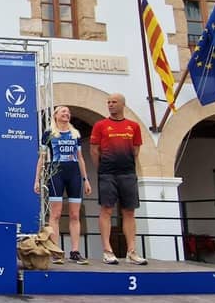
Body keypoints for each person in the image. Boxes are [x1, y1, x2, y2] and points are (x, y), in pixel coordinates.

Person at [90, 93, 147, 265]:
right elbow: (94, 150)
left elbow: (136, 150)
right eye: (108, 102)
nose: (110, 105)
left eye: (114, 102)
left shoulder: (134, 126)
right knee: (106, 210)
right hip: (107, 173)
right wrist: (101, 169)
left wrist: (130, 166)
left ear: (123, 104)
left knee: (129, 211)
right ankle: (107, 251)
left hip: (128, 173)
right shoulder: (100, 125)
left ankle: (131, 252)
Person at [34, 106, 92, 265]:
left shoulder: (75, 134)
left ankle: (75, 251)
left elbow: (80, 158)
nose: (66, 113)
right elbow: (42, 158)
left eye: (68, 112)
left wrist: (85, 179)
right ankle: (56, 252)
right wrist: (37, 179)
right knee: (55, 214)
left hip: (74, 173)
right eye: (63, 111)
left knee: (75, 215)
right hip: (56, 173)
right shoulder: (48, 134)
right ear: (55, 115)